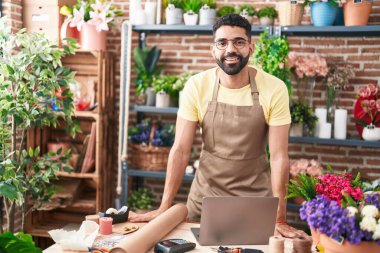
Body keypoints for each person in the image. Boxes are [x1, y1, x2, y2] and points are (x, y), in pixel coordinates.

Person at [129, 14, 308, 238]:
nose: (230, 49)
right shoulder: (197, 85)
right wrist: (164, 207)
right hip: (205, 198)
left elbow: (280, 156)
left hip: (255, 200)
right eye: (222, 43)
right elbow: (181, 149)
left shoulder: (274, 88)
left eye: (239, 42)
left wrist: (279, 216)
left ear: (250, 48)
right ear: (212, 50)